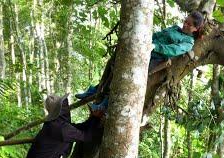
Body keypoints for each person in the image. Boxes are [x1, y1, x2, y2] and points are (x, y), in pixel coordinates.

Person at [76, 11, 204, 109]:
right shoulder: (175, 28)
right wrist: (145, 40)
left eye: (189, 24)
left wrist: (155, 47)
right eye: (185, 21)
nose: (185, 24)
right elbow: (157, 35)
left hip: (156, 57)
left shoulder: (188, 42)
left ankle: (105, 104)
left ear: (195, 29)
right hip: (144, 47)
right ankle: (95, 89)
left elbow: (174, 50)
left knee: (127, 74)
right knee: (116, 62)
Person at [24, 94, 105, 158]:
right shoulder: (60, 129)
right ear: (61, 109)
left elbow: (79, 127)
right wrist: (96, 118)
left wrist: (93, 117)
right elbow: (87, 137)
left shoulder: (54, 124)